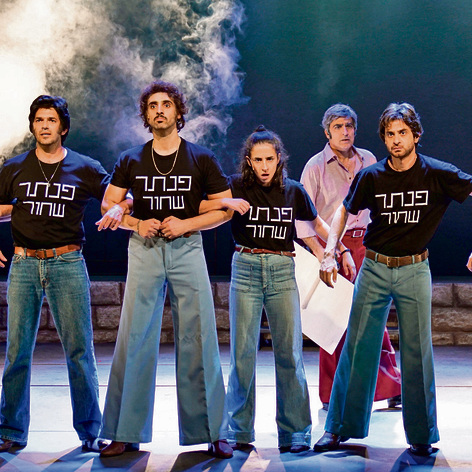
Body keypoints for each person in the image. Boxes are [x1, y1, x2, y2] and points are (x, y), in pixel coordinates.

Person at [313, 103, 472, 457]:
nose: (396, 140)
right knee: (357, 347)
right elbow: (344, 210)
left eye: (402, 133)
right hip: (375, 268)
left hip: (414, 268)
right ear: (383, 138)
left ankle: (422, 435)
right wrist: (329, 251)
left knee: (418, 351)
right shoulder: (372, 176)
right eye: (389, 134)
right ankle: (338, 428)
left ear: (416, 135)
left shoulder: (437, 173)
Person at [98, 80, 234, 458]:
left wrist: (186, 223)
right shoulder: (131, 159)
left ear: (178, 111)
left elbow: (225, 208)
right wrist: (135, 223)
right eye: (152, 105)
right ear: (146, 115)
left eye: (166, 104)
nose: (159, 110)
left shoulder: (201, 158)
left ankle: (212, 430)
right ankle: (123, 432)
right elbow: (109, 205)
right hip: (144, 248)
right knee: (134, 336)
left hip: (187, 248)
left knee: (199, 335)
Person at [200, 125, 354, 453]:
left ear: (279, 158)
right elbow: (201, 205)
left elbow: (317, 224)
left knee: (289, 354)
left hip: (283, 269)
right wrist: (227, 202)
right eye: (258, 160)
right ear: (249, 161)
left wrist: (338, 250)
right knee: (242, 354)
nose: (264, 166)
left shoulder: (293, 190)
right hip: (246, 267)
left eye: (269, 159)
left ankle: (295, 433)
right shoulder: (236, 186)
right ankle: (239, 431)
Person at [0, 95, 127, 453]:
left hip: (67, 263)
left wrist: (120, 208)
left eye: (51, 120)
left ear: (63, 127)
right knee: (17, 352)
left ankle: (90, 432)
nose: (44, 125)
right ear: (33, 126)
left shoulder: (84, 167)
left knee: (79, 351)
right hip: (24, 264)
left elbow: (122, 195)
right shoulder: (14, 167)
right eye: (39, 119)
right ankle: (10, 431)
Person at [295, 104, 401, 410]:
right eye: (338, 127)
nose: (345, 132)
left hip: (366, 243)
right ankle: (331, 394)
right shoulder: (315, 167)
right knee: (332, 320)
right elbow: (303, 222)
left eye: (349, 126)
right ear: (327, 132)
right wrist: (325, 256)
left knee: (373, 314)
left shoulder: (368, 159)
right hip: (331, 246)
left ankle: (390, 387)